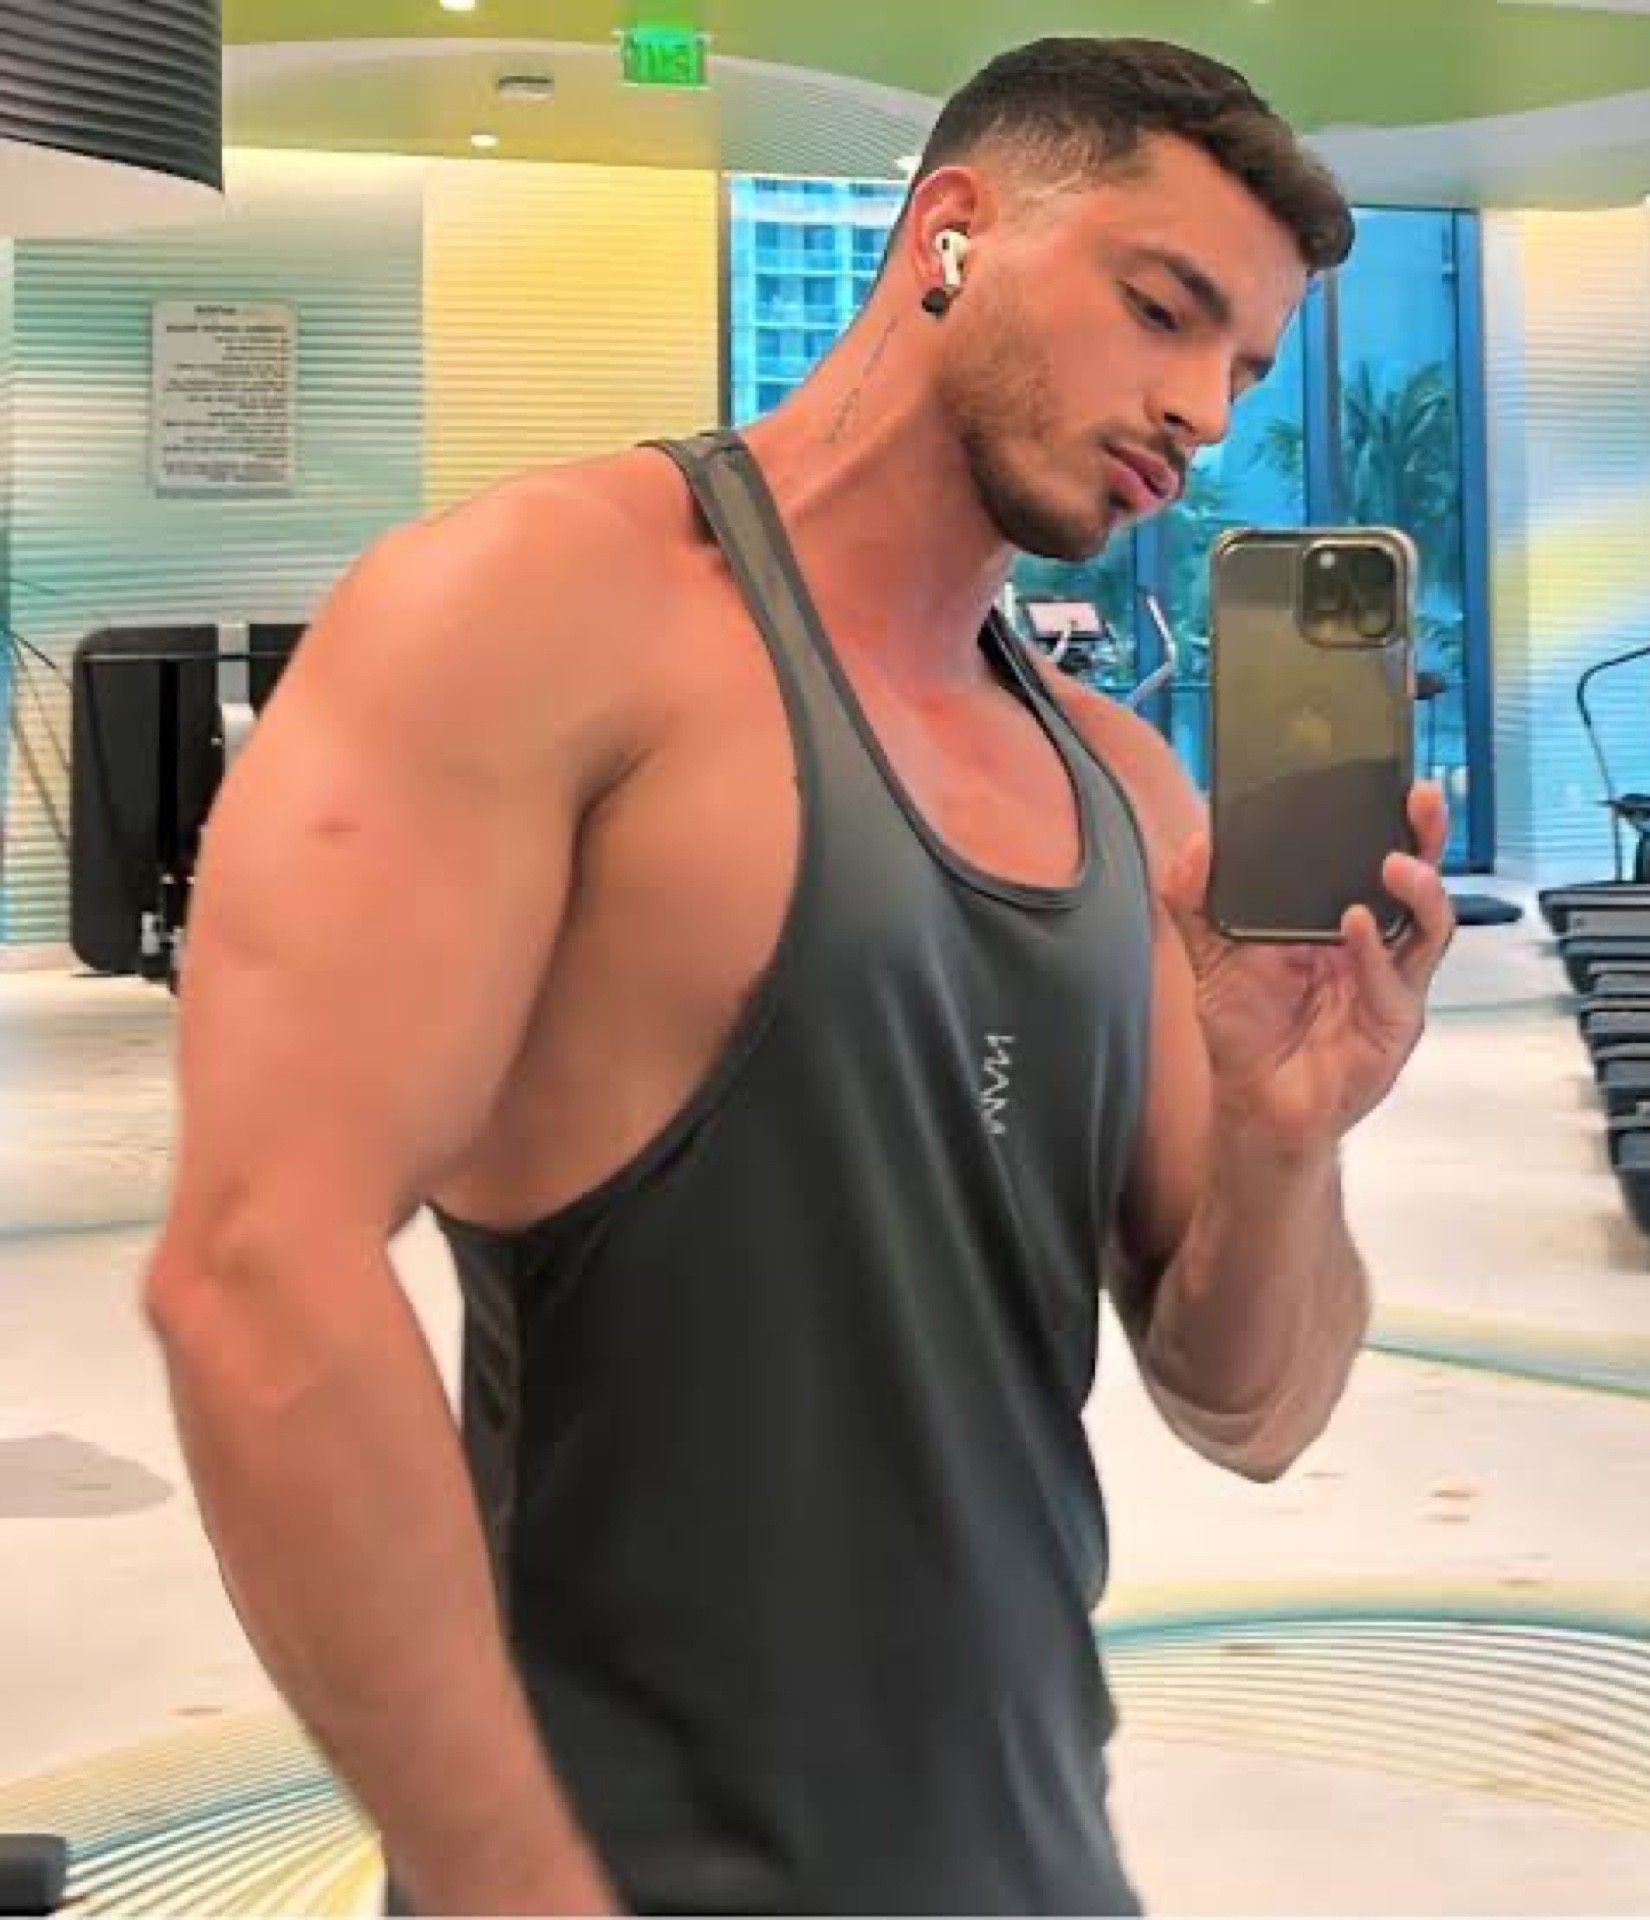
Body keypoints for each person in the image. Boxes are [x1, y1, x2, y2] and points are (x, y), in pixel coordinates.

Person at [143, 35, 1455, 1918]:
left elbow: (1250, 1410)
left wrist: (1282, 1134)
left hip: (1032, 1866)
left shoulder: (1123, 783)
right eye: (1161, 310)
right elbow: (255, 1279)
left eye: (1241, 370)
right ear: (950, 234)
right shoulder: (539, 610)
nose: (1199, 412)